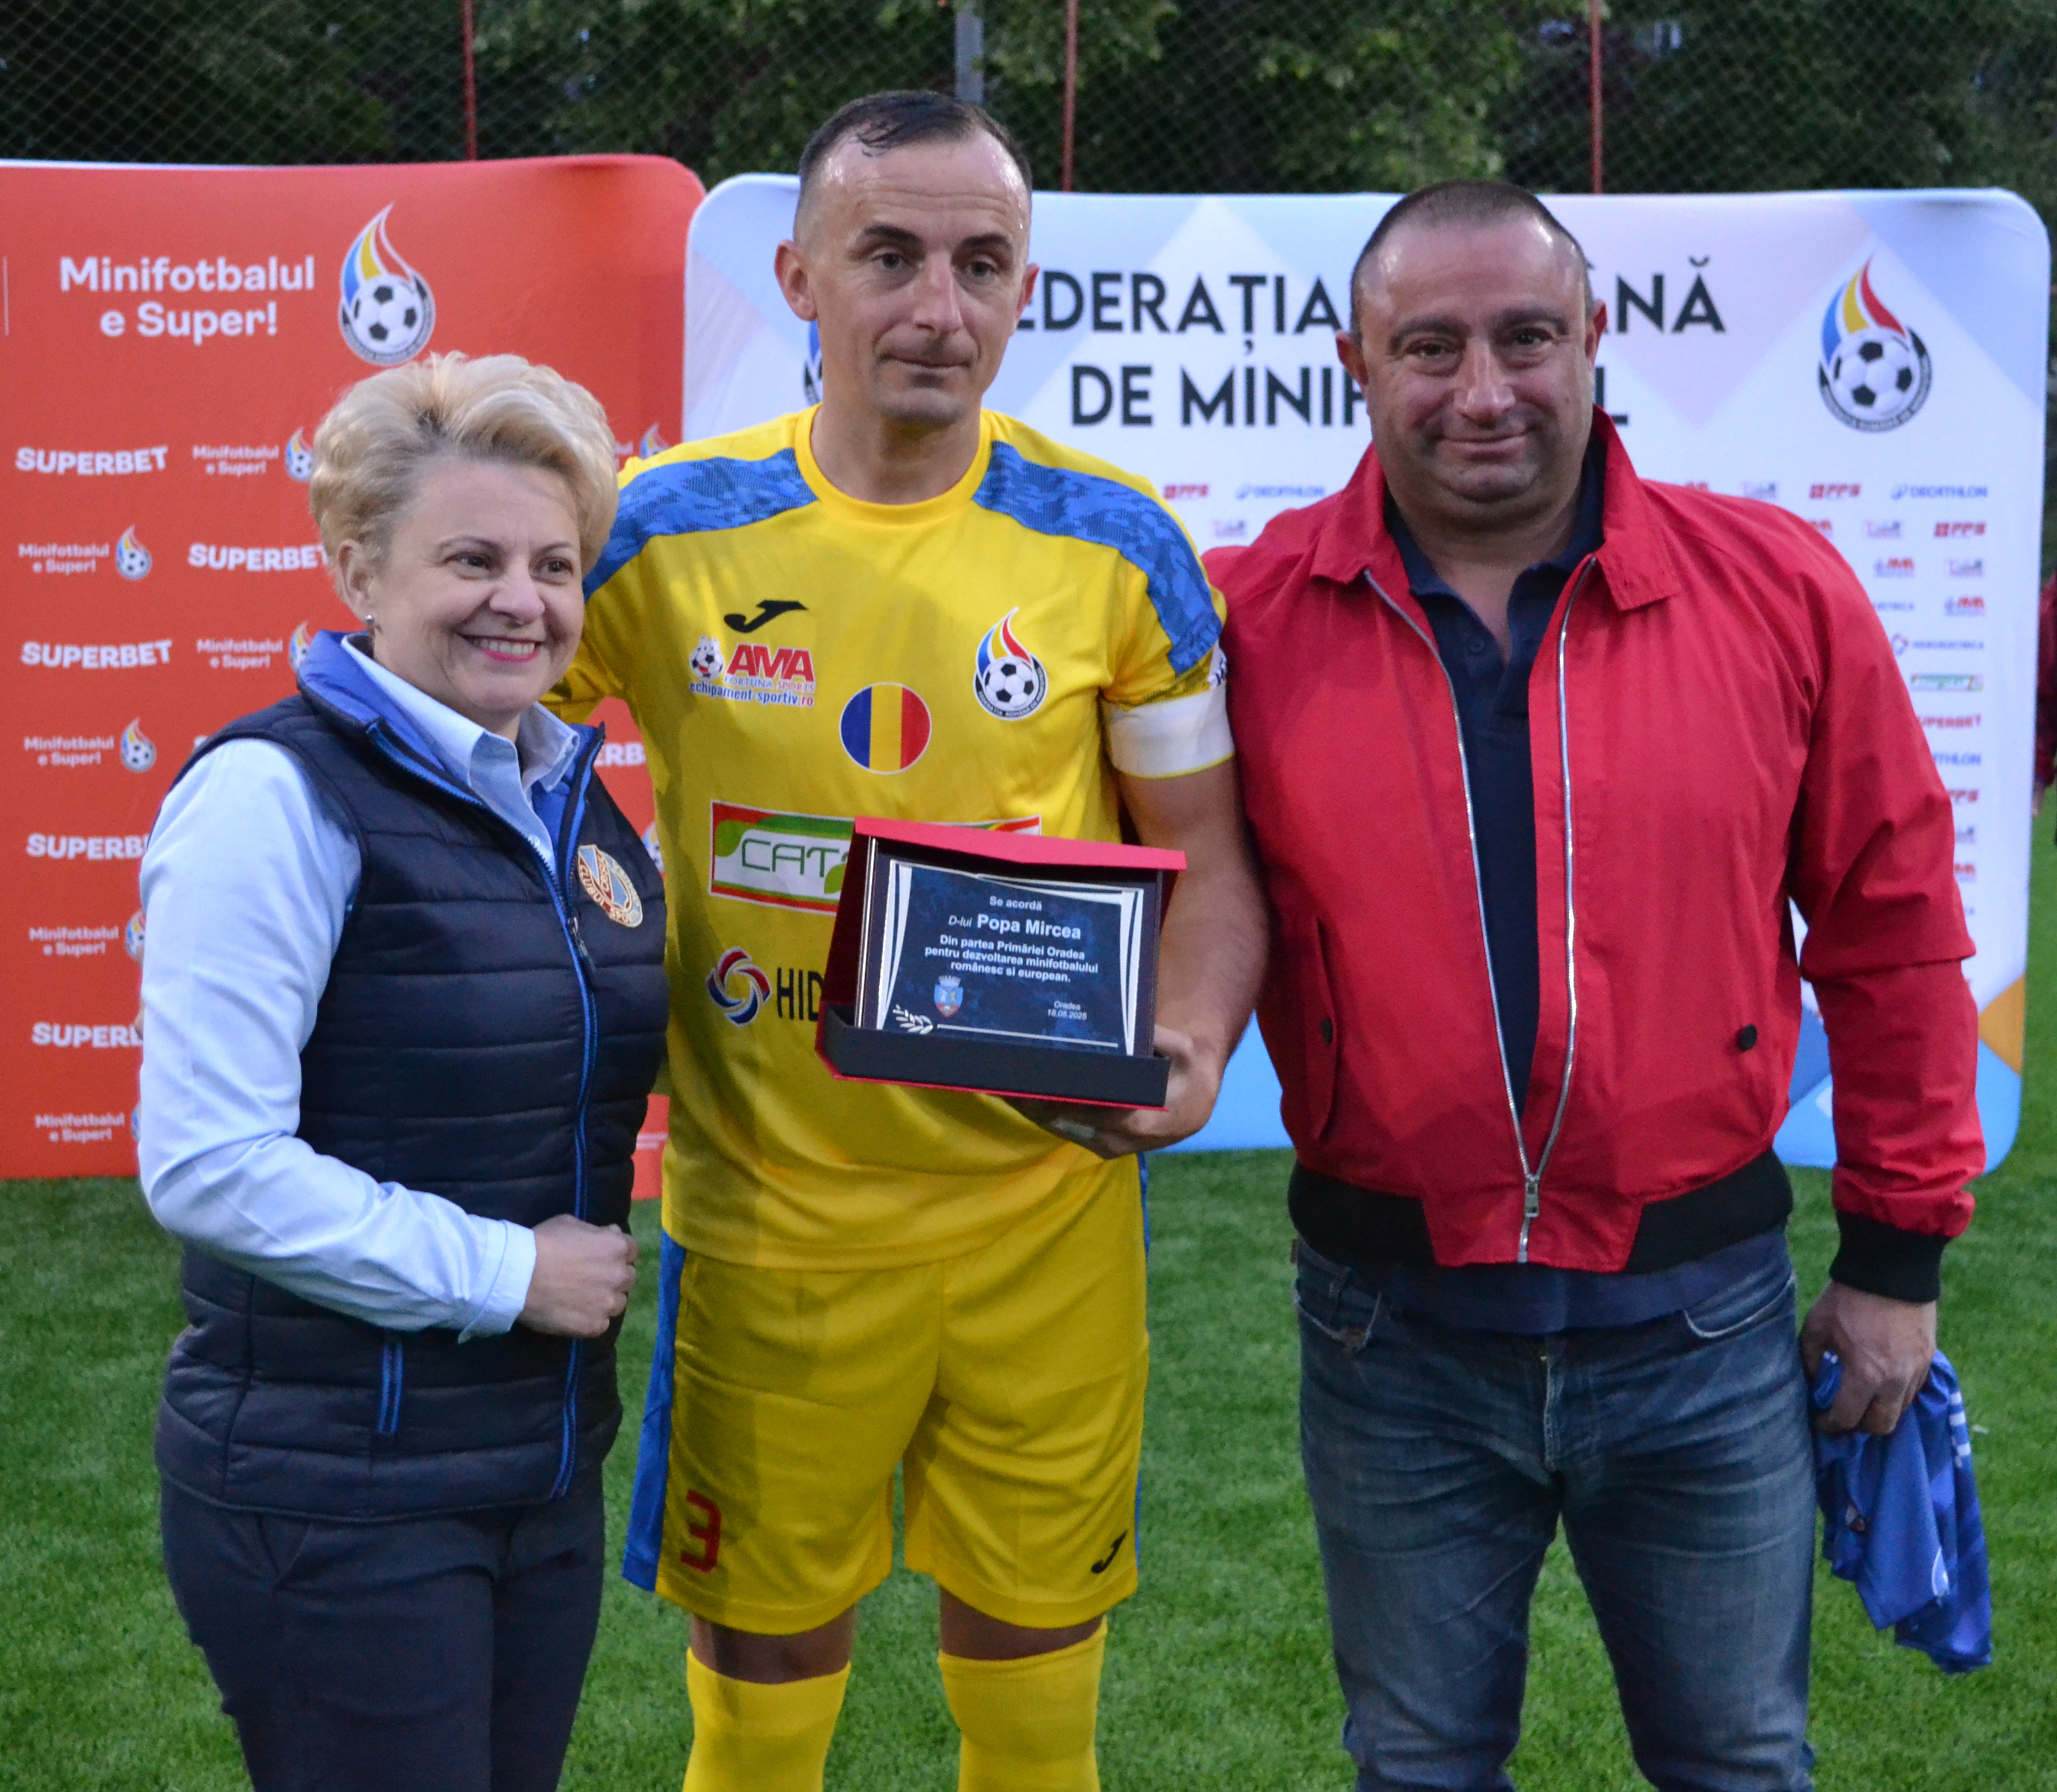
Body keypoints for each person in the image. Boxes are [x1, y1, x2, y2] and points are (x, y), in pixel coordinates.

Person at [1210, 181, 1981, 1791]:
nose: (1483, 390)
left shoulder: (1775, 587)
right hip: (1390, 1332)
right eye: (1431, 346)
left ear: (1595, 339)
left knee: (1738, 1760)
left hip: (1703, 1322)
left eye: (1526, 338)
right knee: (1419, 1763)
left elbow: (1894, 928)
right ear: (1356, 361)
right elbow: (1121, 883)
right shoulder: (1248, 617)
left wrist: (1896, 1259)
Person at [550, 90, 1265, 1792]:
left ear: (1024, 290)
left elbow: (1212, 865)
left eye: (981, 264)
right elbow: (480, 769)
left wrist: (1189, 1051)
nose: (939, 307)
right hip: (770, 1231)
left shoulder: (1114, 543)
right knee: (761, 1697)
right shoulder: (657, 529)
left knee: (1035, 1692)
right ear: (800, 278)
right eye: (890, 256)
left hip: (1045, 1223)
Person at [139, 351, 670, 1792]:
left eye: (555, 563)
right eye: (473, 559)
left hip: (535, 1466)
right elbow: (208, 1165)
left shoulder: (567, 797)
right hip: (337, 1492)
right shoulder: (272, 793)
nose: (523, 599)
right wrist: (508, 1271)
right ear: (358, 568)